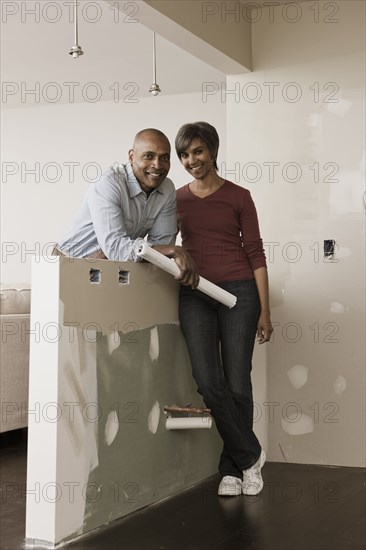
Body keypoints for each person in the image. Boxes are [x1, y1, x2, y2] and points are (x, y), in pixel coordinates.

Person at [175, 121, 273, 497]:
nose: (191, 160)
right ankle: (251, 456)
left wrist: (265, 311)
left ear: (212, 150)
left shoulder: (239, 196)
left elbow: (256, 253)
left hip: (239, 291)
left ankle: (232, 470)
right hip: (195, 292)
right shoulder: (177, 199)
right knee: (207, 380)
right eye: (185, 155)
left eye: (197, 151)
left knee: (237, 381)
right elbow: (166, 243)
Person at [54, 128, 198, 286]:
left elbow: (161, 247)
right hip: (70, 263)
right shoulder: (109, 183)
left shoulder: (167, 188)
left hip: (112, 268)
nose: (157, 165)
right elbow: (117, 248)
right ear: (131, 156)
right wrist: (173, 251)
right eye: (149, 156)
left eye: (164, 158)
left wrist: (156, 252)